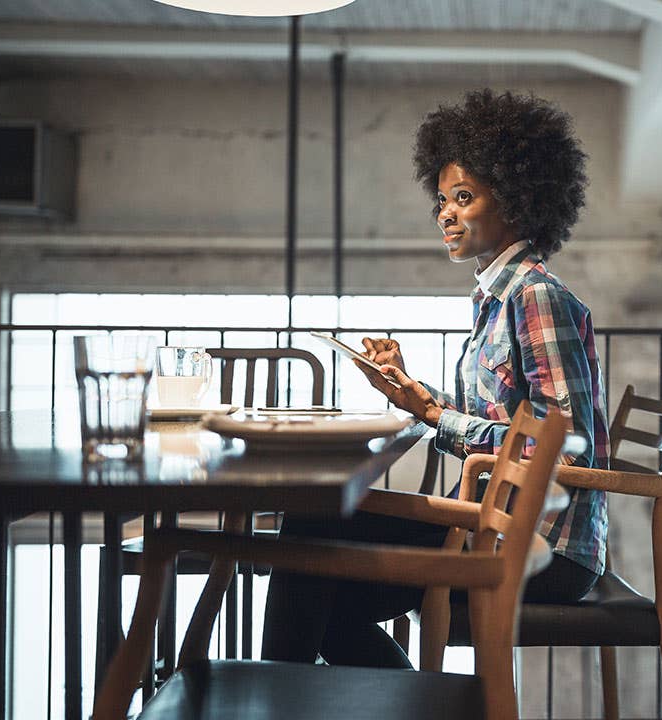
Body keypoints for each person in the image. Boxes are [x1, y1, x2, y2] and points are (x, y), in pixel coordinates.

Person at [261, 89, 608, 669]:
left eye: (464, 198)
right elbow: (507, 421)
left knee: (310, 542)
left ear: (518, 203)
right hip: (489, 521)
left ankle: (275, 699)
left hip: (539, 545)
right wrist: (414, 392)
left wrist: (434, 417)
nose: (445, 213)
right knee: (316, 566)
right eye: (442, 200)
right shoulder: (496, 301)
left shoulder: (537, 298)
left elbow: (563, 452)